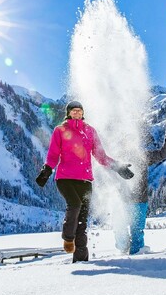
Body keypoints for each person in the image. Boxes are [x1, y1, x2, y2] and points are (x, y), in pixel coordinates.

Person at [35, 100, 134, 262]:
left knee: (82, 220)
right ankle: (68, 238)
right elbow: (53, 154)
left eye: (79, 111)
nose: (77, 113)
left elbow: (101, 156)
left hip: (85, 180)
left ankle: (81, 259)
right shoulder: (60, 130)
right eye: (74, 111)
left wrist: (118, 167)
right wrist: (46, 170)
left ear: (83, 113)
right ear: (68, 113)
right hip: (65, 178)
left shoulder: (90, 131)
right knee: (74, 205)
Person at [115, 120, 166, 255]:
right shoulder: (117, 158)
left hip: (139, 200)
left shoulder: (143, 156)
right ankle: (123, 251)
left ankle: (137, 257)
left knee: (137, 232)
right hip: (121, 201)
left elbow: (162, 154)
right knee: (120, 231)